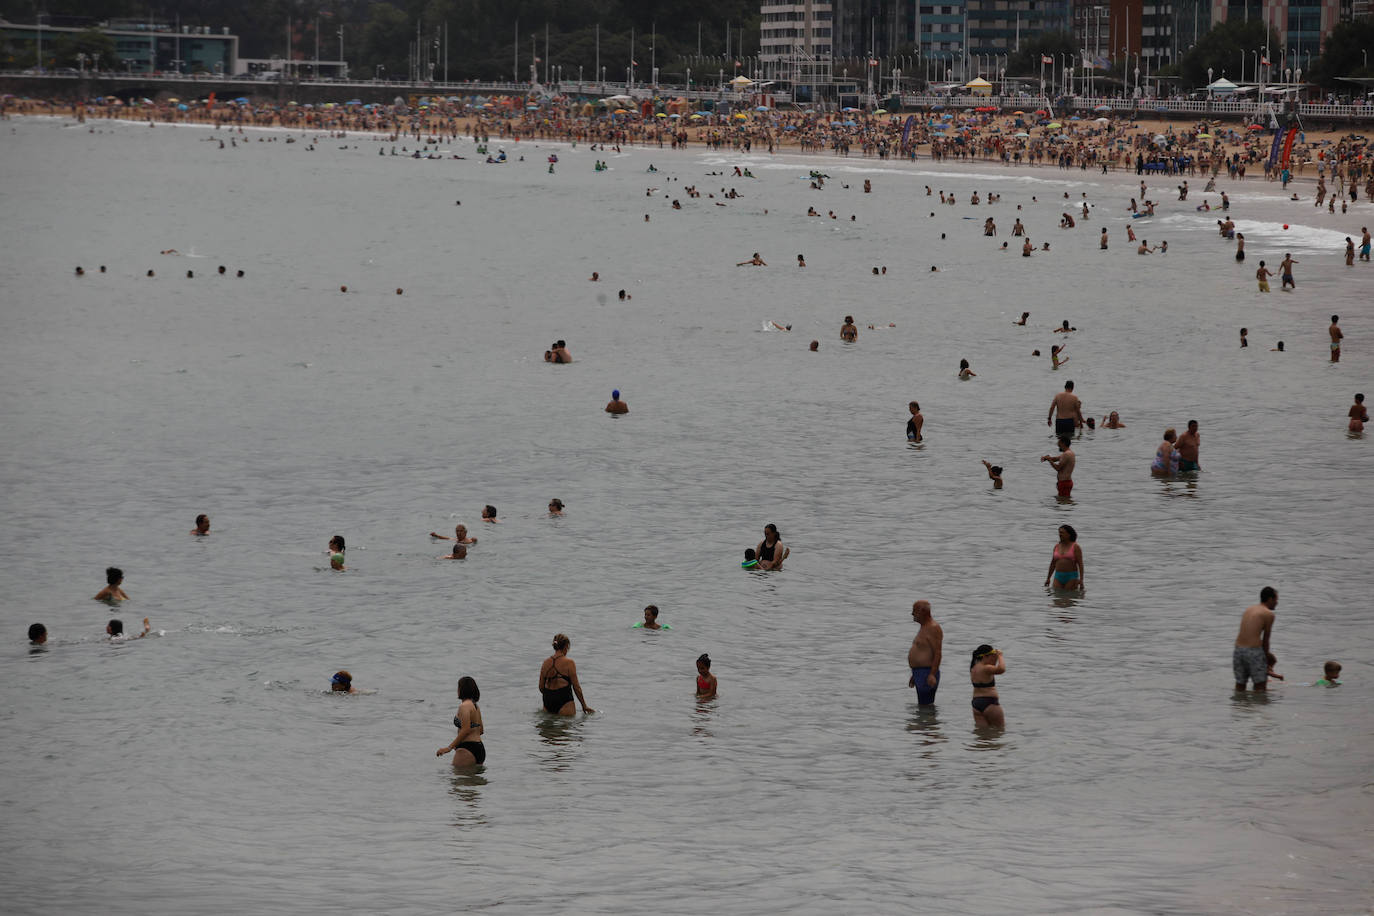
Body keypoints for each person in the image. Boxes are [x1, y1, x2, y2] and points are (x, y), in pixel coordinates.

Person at [1234, 587, 1278, 692]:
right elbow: (1266, 640)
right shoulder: (1269, 614)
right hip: (1253, 651)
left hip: (1238, 650)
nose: (1277, 603)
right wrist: (1266, 663)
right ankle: (1256, 709)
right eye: (1276, 599)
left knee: (1240, 688)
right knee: (1260, 689)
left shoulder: (1249, 609)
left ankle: (1240, 707)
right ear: (1270, 599)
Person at [436, 676, 485, 766]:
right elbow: (481, 730)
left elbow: (466, 730)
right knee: (474, 780)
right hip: (480, 749)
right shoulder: (476, 706)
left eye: (458, 687)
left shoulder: (464, 706)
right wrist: (458, 744)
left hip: (467, 749)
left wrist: (449, 748)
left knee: (457, 779)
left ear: (462, 689)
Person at [539, 633, 593, 715]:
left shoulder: (545, 663)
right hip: (564, 701)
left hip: (548, 700)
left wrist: (551, 696)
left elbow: (541, 687)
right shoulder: (569, 663)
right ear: (566, 647)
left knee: (547, 727)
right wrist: (584, 706)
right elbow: (576, 687)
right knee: (566, 726)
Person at [907, 600, 943, 705]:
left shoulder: (933, 628)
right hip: (920, 673)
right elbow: (923, 651)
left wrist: (932, 674)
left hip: (927, 673)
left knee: (926, 707)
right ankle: (924, 721)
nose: (912, 614)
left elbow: (937, 653)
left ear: (923, 611)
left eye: (914, 611)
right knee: (922, 706)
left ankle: (928, 721)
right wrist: (915, 674)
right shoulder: (924, 627)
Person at [969, 645, 1006, 727]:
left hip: (976, 704)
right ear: (985, 656)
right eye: (992, 656)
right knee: (999, 731)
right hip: (990, 703)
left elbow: (992, 665)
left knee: (982, 734)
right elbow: (1001, 669)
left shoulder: (973, 668)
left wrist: (995, 657)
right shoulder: (986, 668)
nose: (993, 658)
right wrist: (1000, 656)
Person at [1044, 524, 1084, 589]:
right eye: (1059, 533)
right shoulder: (1056, 546)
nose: (1060, 534)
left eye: (1062, 533)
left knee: (1068, 597)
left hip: (1071, 577)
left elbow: (1080, 564)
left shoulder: (1075, 547)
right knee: (1056, 597)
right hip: (1058, 576)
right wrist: (1048, 578)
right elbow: (1053, 564)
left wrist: (1081, 580)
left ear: (1069, 534)